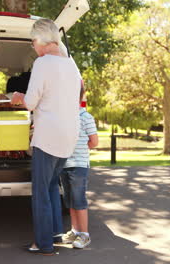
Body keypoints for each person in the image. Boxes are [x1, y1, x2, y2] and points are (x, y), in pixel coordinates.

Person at [11, 18, 81, 255]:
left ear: (41, 40)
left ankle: (43, 244)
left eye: (32, 42)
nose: (33, 47)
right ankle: (55, 233)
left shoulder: (43, 63)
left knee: (40, 191)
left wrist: (20, 96)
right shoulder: (71, 64)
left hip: (47, 136)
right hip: (69, 136)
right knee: (52, 185)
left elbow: (31, 102)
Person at [60, 84, 98, 249]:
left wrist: (81, 147)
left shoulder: (85, 117)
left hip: (79, 165)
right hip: (65, 164)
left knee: (79, 199)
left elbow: (94, 142)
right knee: (69, 199)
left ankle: (85, 234)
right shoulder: (63, 117)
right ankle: (74, 230)